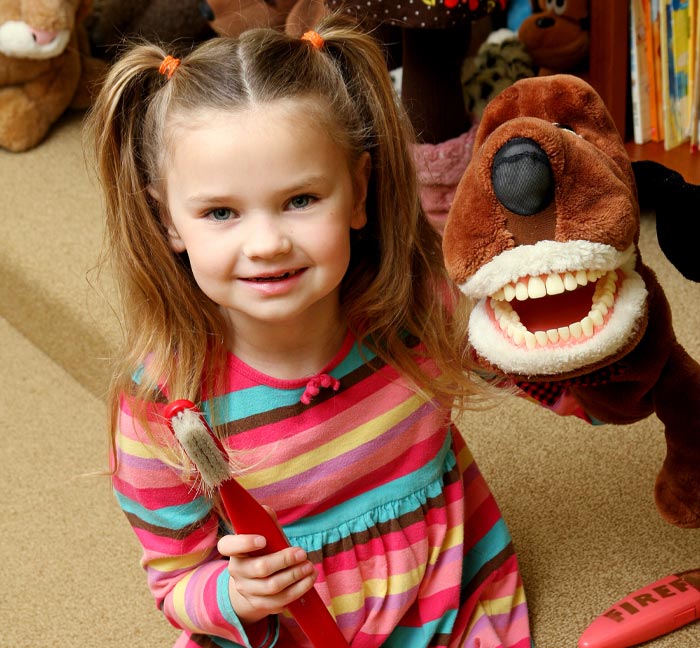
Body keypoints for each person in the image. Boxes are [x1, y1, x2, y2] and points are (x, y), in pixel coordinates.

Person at [86, 13, 531, 648]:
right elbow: (176, 583)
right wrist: (236, 596)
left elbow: (538, 365)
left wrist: (598, 361)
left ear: (358, 190)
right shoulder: (163, 403)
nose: (266, 243)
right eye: (220, 212)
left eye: (300, 200)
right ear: (169, 224)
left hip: (447, 597)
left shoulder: (414, 311)